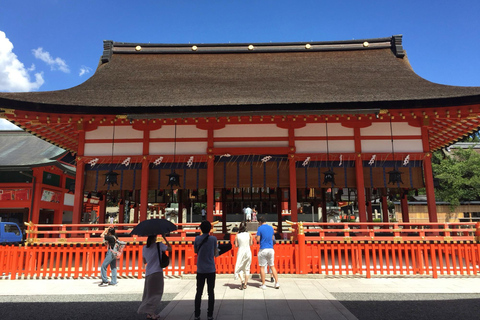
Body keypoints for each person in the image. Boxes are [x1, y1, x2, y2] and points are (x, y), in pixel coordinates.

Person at [137, 234, 172, 320]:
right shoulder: (159, 245)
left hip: (148, 272)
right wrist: (164, 238)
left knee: (149, 294)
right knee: (157, 293)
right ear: (154, 239)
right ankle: (152, 313)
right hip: (157, 272)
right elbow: (170, 249)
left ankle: (148, 312)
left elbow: (145, 261)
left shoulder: (144, 248)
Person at [194, 221, 218, 320]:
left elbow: (196, 251)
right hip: (211, 268)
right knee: (210, 292)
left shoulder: (197, 239)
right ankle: (210, 314)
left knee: (199, 292)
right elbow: (215, 252)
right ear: (210, 229)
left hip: (200, 269)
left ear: (201, 229)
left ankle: (197, 314)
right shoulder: (213, 239)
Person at [255, 216, 279, 290]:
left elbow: (258, 239)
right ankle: (277, 282)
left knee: (262, 267)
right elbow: (272, 238)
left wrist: (256, 238)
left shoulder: (260, 228)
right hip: (270, 248)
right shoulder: (271, 228)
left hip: (263, 248)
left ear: (260, 222)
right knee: (272, 265)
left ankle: (264, 284)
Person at [234, 223, 253, 289]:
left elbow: (236, 245)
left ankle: (242, 281)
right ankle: (245, 284)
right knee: (247, 268)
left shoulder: (237, 235)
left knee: (239, 267)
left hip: (241, 251)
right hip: (248, 251)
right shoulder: (249, 234)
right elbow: (251, 244)